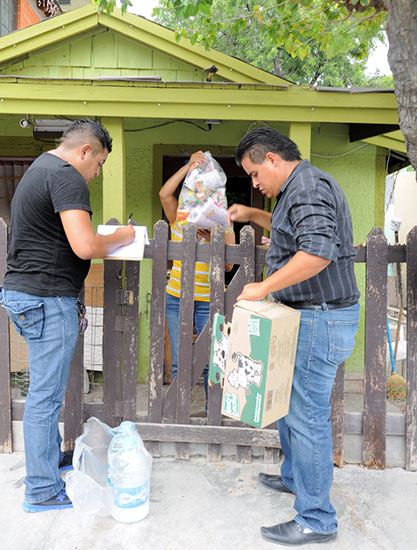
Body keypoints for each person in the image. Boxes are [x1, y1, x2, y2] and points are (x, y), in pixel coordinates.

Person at [227, 127, 360, 547]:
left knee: (306, 418)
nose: (255, 183)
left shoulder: (304, 187)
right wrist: (252, 216)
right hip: (310, 318)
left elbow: (318, 250)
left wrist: (263, 288)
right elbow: (295, 234)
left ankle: (317, 519)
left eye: (253, 174)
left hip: (319, 320)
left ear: (270, 159)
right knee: (288, 407)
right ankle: (294, 480)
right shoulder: (299, 189)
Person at [0, 118, 135, 512]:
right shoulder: (66, 177)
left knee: (45, 390)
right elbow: (85, 244)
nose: (96, 174)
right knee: (45, 396)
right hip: (46, 298)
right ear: (84, 151)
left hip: (24, 294)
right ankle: (41, 490)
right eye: (99, 164)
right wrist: (124, 236)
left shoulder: (38, 168)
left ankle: (46, 461)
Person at [159, 151, 234, 402]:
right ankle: (180, 411)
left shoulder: (222, 223)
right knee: (180, 359)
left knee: (210, 359)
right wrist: (189, 166)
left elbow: (228, 268)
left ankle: (211, 411)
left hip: (210, 299)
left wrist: (216, 235)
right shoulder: (179, 219)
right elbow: (164, 194)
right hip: (176, 296)